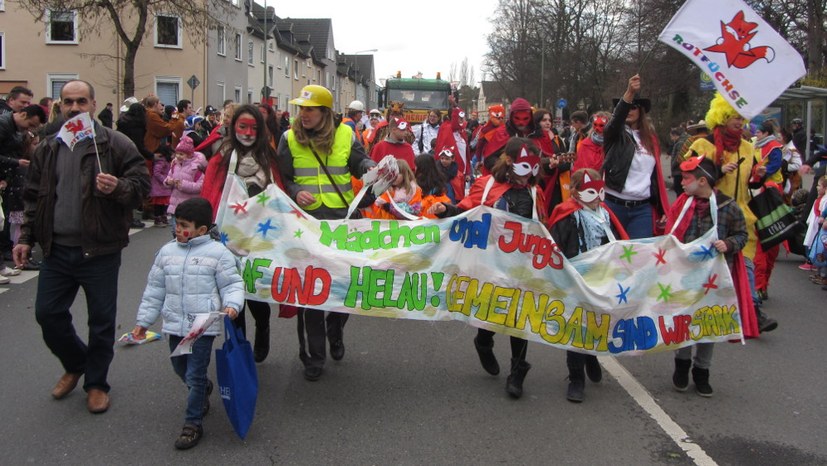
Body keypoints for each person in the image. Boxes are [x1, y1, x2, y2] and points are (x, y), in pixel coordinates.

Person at [12, 79, 150, 413]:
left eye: (81, 102)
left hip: (99, 249)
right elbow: (33, 198)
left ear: (92, 104)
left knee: (101, 321)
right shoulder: (48, 147)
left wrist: (118, 186)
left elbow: (141, 185)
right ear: (59, 106)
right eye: (68, 102)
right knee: (48, 314)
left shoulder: (114, 144)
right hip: (57, 249)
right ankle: (76, 362)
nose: (75, 108)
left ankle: (97, 383)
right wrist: (27, 238)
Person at [429, 137, 545, 399]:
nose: (529, 176)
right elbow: (465, 210)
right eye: (525, 167)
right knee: (492, 310)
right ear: (510, 162)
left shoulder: (535, 192)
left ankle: (517, 371)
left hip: (521, 265)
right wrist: (445, 209)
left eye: (534, 168)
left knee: (519, 316)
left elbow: (543, 227)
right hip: (489, 262)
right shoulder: (487, 186)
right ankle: (483, 341)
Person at [276, 85, 376, 381]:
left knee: (345, 286)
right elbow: (282, 179)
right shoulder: (289, 137)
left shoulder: (346, 134)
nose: (303, 114)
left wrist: (371, 165)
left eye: (310, 109)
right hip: (307, 224)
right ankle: (314, 357)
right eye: (301, 109)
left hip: (342, 221)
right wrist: (295, 190)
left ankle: (336, 326)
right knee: (310, 293)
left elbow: (359, 164)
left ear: (325, 112)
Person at [131, 197, 244, 450]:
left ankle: (192, 423)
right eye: (175, 222)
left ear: (201, 230)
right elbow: (154, 289)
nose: (176, 228)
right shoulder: (167, 253)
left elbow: (232, 284)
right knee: (179, 367)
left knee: (194, 373)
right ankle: (202, 387)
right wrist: (143, 322)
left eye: (183, 224)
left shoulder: (218, 253)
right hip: (174, 324)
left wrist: (232, 305)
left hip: (201, 326)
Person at [684, 93, 777, 333]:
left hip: (740, 217)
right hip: (709, 214)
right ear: (721, 116)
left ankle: (754, 312)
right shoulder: (702, 145)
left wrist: (759, 176)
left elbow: (752, 185)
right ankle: (694, 311)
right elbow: (685, 178)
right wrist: (718, 170)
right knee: (703, 267)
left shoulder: (749, 147)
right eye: (733, 116)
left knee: (745, 264)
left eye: (741, 117)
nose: (739, 121)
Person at [201, 104, 284, 363]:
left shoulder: (267, 157)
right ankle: (239, 345)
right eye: (242, 126)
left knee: (256, 291)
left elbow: (279, 193)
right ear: (233, 126)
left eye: (254, 128)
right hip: (227, 237)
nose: (248, 133)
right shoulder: (222, 155)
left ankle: (263, 328)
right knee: (232, 293)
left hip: (260, 236)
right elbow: (210, 193)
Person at [664, 155, 747, 397]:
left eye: (686, 178)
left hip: (714, 279)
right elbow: (672, 232)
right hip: (685, 275)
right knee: (684, 319)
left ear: (701, 181)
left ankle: (702, 371)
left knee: (707, 322)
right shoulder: (683, 204)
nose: (680, 182)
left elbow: (742, 235)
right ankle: (682, 364)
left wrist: (729, 243)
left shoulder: (728, 207)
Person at [547, 168, 628, 402]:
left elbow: (619, 243)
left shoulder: (606, 214)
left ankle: (590, 354)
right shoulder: (565, 214)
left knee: (595, 321)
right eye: (591, 192)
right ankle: (576, 378)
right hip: (574, 278)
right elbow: (555, 246)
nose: (597, 197)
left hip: (601, 278)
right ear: (576, 191)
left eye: (601, 192)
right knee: (576, 326)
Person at [602, 74, 669, 239]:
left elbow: (655, 178)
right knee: (613, 256)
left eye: (633, 107)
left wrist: (662, 208)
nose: (629, 110)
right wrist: (629, 93)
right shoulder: (615, 135)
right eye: (626, 107)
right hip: (613, 205)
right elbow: (615, 120)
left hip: (642, 210)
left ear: (640, 110)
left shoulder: (651, 139)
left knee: (639, 258)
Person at [0, 105, 47, 281]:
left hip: (5, 180)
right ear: (23, 114)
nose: (28, 130)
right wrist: (15, 162)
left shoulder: (12, 128)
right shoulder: (4, 125)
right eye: (29, 125)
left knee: (2, 223)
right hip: (5, 177)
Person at [752, 120, 784, 300]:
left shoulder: (774, 147)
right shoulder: (754, 145)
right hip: (756, 191)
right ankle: (758, 285)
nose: (756, 135)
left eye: (758, 132)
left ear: (765, 133)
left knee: (769, 240)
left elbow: (776, 165)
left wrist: (766, 171)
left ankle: (762, 284)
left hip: (771, 192)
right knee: (759, 241)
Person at [165, 135, 207, 229]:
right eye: (177, 153)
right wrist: (168, 182)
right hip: (174, 204)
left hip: (188, 205)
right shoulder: (175, 165)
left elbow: (201, 186)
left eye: (181, 154)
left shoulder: (195, 168)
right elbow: (168, 177)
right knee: (174, 229)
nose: (178, 156)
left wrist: (183, 185)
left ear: (189, 155)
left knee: (185, 231)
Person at [415, 153, 451, 219]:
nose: (415, 168)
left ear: (421, 167)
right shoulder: (439, 181)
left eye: (416, 166)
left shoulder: (417, 183)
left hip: (423, 220)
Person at [149, 145, 172, 227]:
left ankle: (162, 216)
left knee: (163, 203)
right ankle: (158, 218)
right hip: (160, 185)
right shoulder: (161, 161)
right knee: (159, 204)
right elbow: (157, 173)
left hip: (163, 186)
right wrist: (165, 180)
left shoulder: (165, 161)